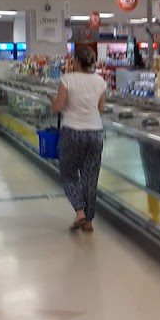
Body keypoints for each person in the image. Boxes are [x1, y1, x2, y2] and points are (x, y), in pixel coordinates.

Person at [51, 43, 107, 233]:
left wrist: (53, 102)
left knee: (68, 174)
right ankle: (89, 222)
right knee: (90, 178)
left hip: (72, 131)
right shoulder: (100, 82)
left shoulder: (67, 79)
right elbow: (100, 109)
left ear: (75, 61)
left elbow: (57, 107)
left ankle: (80, 212)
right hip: (95, 132)